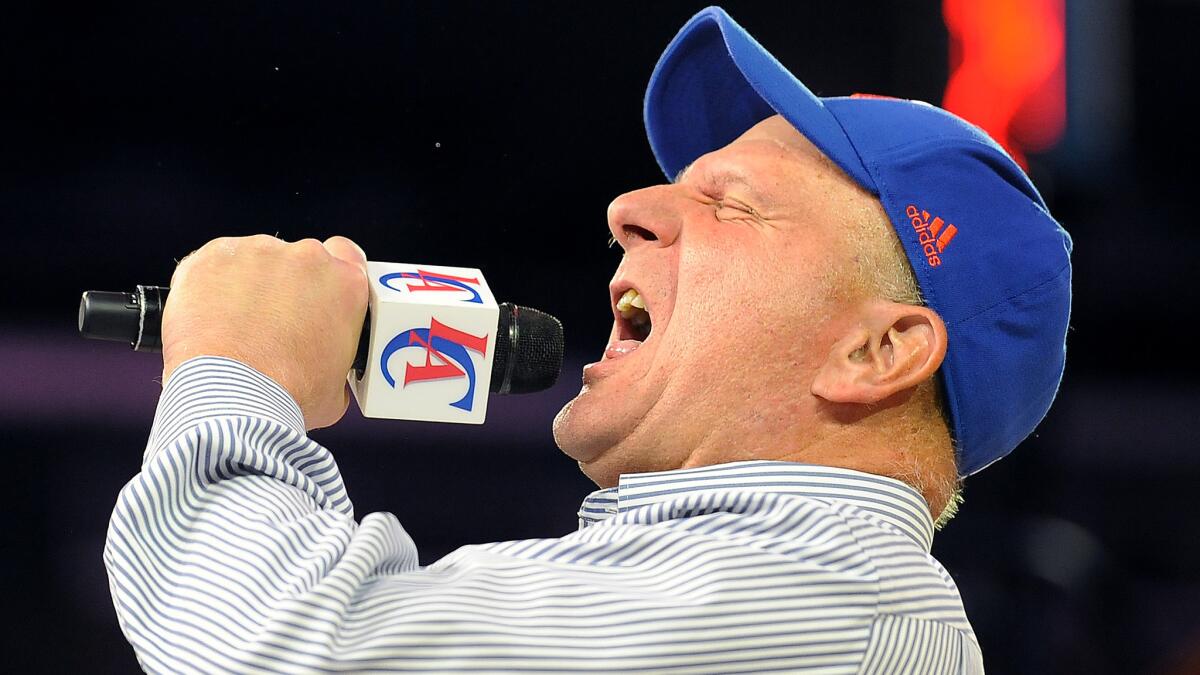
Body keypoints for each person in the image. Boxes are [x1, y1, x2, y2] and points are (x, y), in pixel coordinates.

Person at [104, 7, 1070, 673]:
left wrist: (236, 372)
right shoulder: (768, 596)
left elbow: (279, 646)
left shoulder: (825, 595)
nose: (628, 208)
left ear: (877, 353)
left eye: (729, 203)